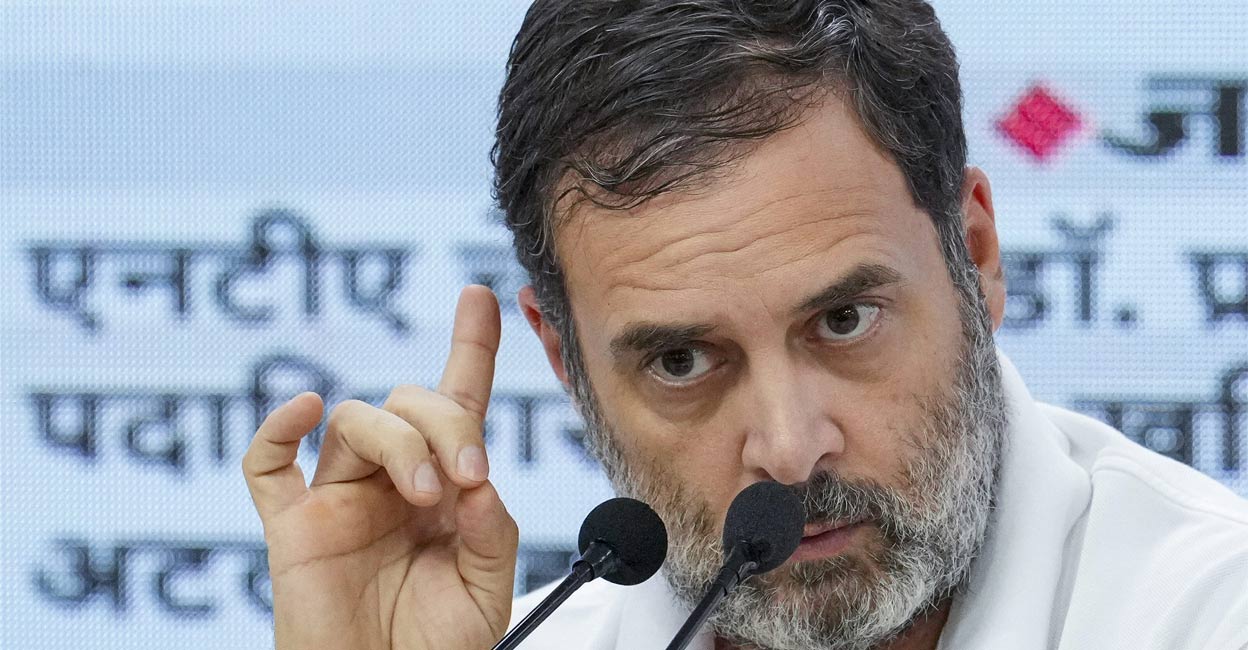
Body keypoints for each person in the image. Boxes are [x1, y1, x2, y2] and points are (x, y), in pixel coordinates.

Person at [242, 1, 1248, 649]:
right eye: (682, 359)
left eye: (845, 318)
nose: (787, 447)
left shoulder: (1207, 612)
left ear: (974, 255)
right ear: (565, 358)